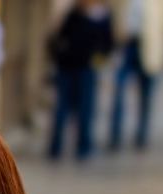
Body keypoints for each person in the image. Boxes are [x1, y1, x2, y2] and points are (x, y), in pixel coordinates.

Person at [48, 0, 115, 160]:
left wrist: (97, 60)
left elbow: (107, 44)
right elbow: (59, 37)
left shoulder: (102, 16)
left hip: (86, 68)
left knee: (85, 109)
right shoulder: (73, 13)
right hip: (68, 67)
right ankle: (56, 146)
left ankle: (83, 146)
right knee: (62, 108)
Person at [109, 0, 163, 150]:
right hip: (126, 45)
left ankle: (142, 136)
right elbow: (114, 12)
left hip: (149, 48)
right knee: (119, 92)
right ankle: (115, 137)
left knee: (146, 96)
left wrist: (162, 47)